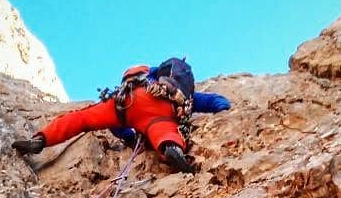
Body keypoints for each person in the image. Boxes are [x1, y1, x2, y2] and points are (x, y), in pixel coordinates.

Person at [12, 57, 230, 174]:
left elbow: (115, 126)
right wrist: (224, 108)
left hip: (127, 101)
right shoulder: (181, 94)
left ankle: (41, 140)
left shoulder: (142, 79)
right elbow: (214, 101)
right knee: (163, 131)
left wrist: (128, 136)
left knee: (82, 118)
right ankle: (171, 149)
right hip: (160, 110)